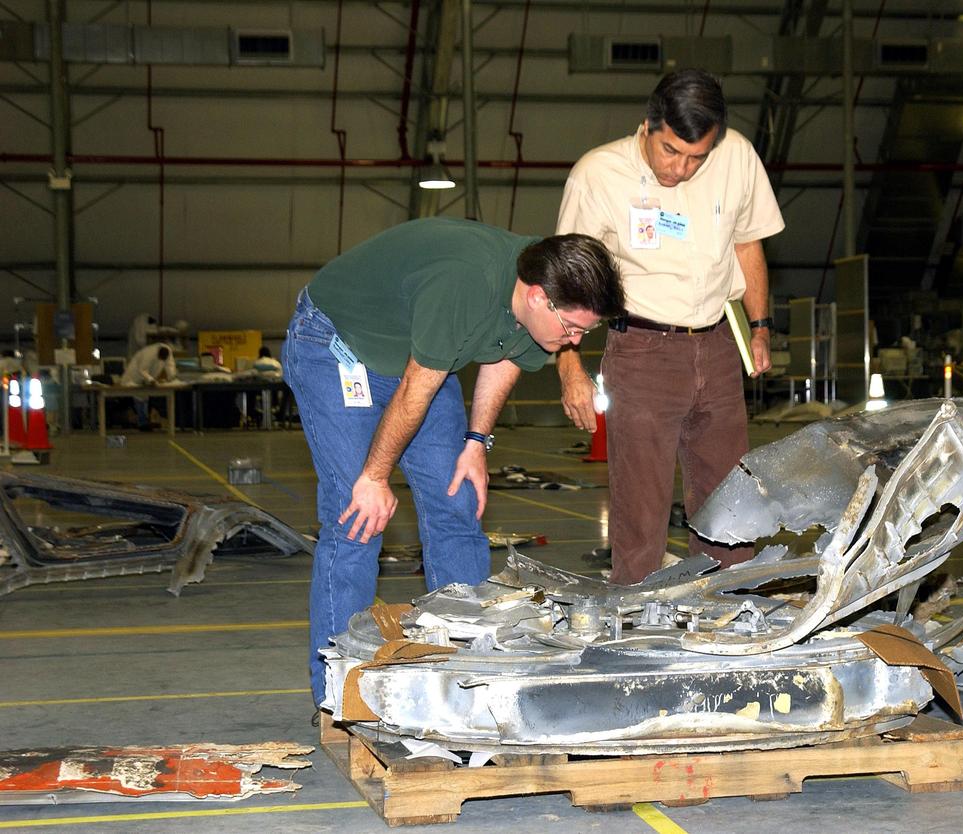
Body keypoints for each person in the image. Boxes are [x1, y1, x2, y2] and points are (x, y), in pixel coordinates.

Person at [282, 217, 623, 708]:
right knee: (358, 516)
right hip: (338, 346)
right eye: (570, 327)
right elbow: (415, 390)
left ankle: (469, 673)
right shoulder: (465, 284)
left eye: (583, 333)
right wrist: (375, 477)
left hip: (418, 355)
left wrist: (475, 442)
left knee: (457, 501)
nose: (572, 342)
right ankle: (340, 694)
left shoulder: (541, 289)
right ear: (535, 296)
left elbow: (504, 358)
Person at [555, 68, 785, 585]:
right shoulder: (597, 175)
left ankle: (728, 610)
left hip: (719, 346)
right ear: (649, 125)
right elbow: (567, 283)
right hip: (640, 351)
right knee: (641, 507)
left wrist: (760, 327)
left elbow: (748, 243)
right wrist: (569, 366)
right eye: (670, 151)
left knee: (729, 498)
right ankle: (636, 625)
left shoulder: (738, 158)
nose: (681, 169)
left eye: (696, 158)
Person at [120, 342, 179, 429]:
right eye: (160, 358)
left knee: (144, 399)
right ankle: (142, 422)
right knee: (139, 399)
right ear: (158, 354)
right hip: (134, 377)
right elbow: (142, 369)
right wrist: (151, 380)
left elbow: (170, 366)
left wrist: (172, 378)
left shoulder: (168, 353)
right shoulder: (149, 353)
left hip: (147, 379)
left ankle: (144, 422)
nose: (161, 361)